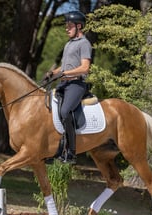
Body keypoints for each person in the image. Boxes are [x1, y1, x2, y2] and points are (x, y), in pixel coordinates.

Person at [47, 11, 92, 164]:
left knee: (65, 111)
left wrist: (66, 73)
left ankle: (71, 152)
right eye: (66, 26)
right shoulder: (69, 44)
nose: (67, 29)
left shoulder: (84, 43)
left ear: (79, 26)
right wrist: (53, 72)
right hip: (65, 83)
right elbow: (65, 66)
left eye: (70, 26)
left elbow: (85, 67)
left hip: (76, 84)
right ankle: (53, 147)